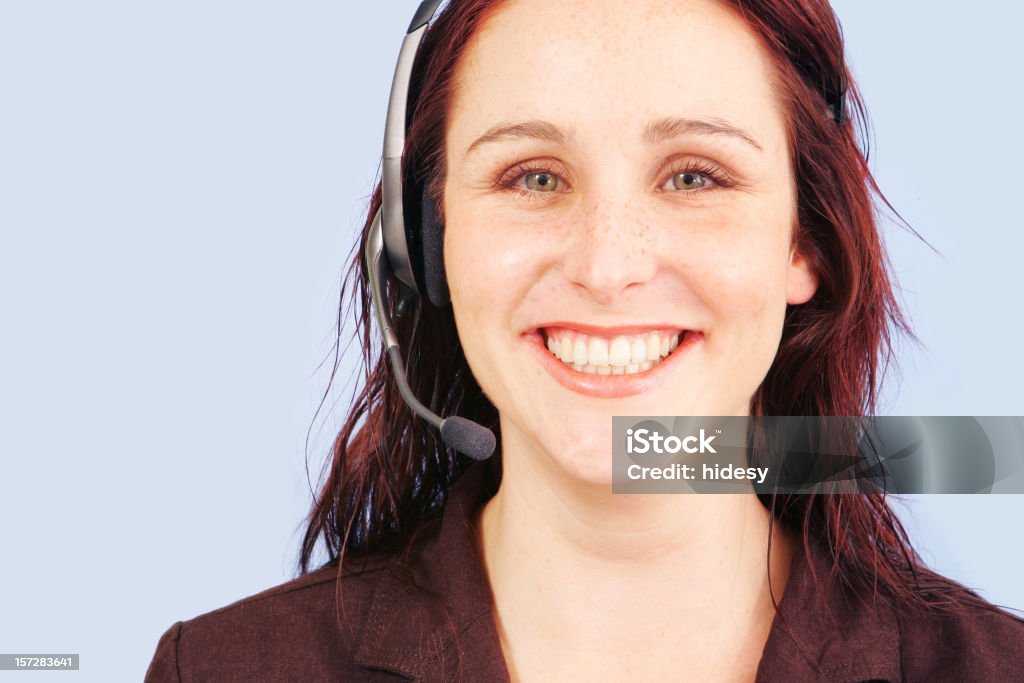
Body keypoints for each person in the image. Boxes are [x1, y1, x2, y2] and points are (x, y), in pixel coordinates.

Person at [145, 0, 1024, 681]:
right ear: (426, 244)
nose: (608, 266)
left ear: (806, 242)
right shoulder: (224, 668)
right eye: (532, 176)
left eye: (694, 175)